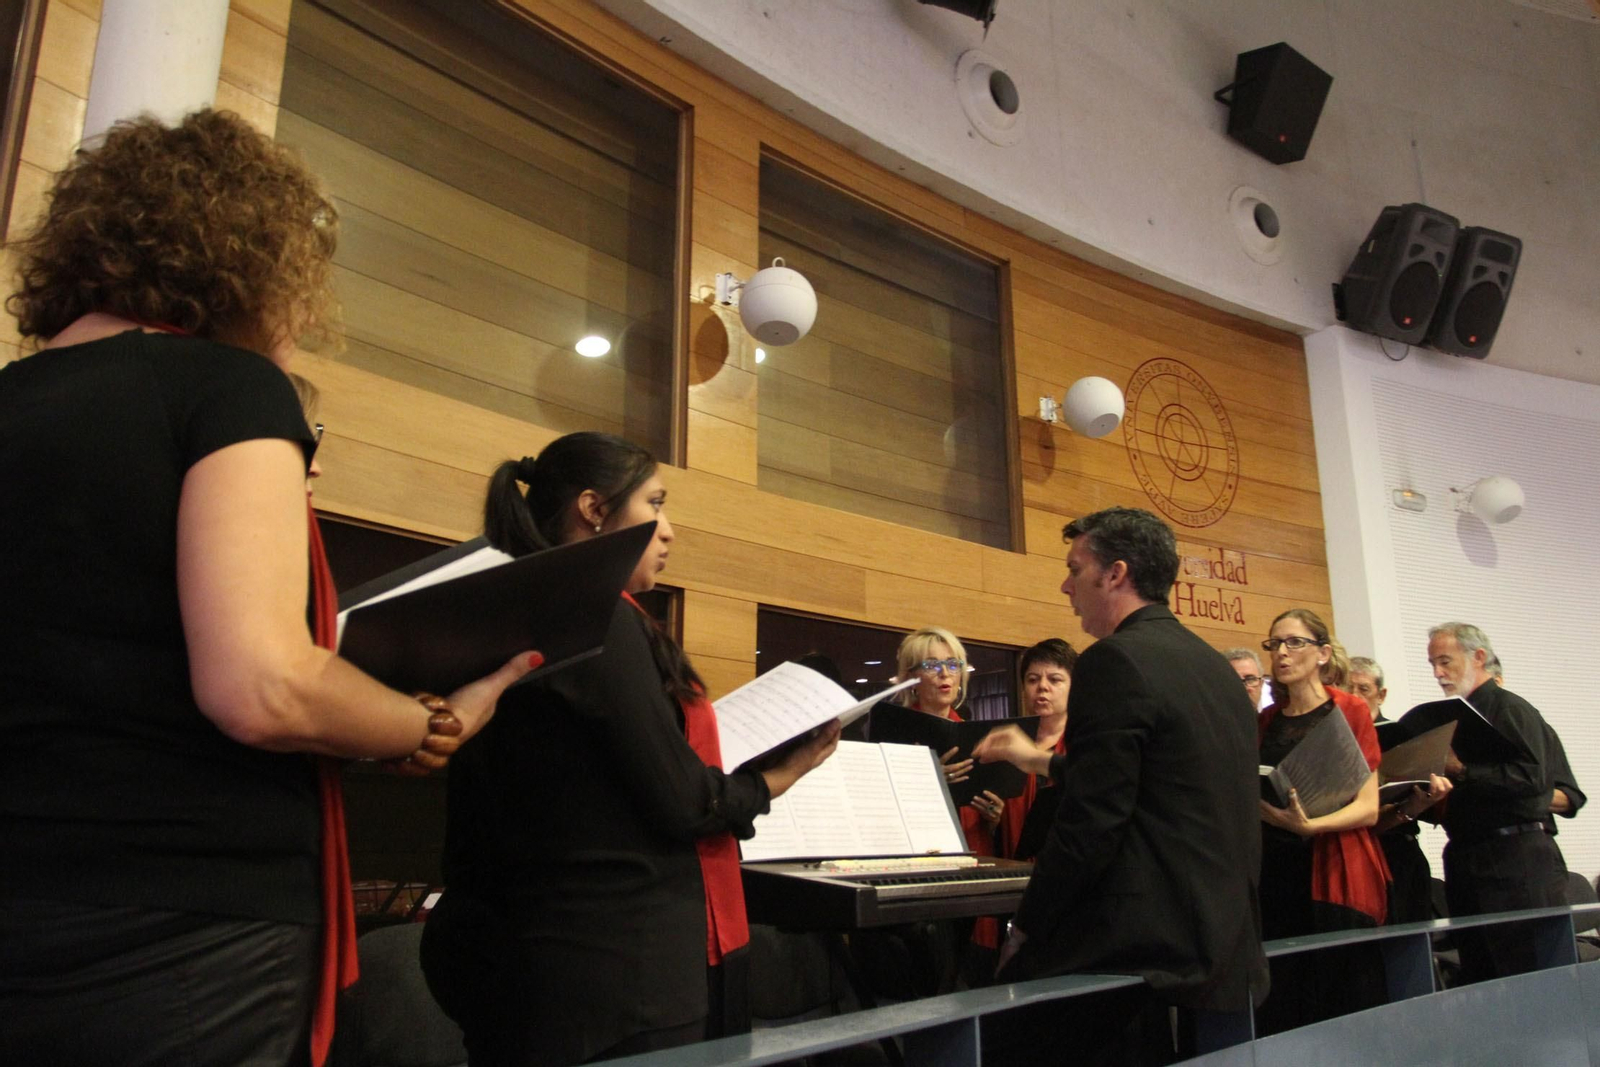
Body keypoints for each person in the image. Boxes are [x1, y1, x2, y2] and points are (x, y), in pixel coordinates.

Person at [0, 109, 538, 1067]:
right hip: (177, 931)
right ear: (252, 258)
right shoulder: (227, 387)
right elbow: (266, 685)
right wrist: (426, 723)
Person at [419, 432, 839, 1066]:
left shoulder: (512, 599)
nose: (668, 531)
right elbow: (682, 801)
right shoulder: (595, 614)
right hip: (608, 971)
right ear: (594, 509)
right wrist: (783, 773)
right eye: (655, 505)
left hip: (522, 959)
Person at [977, 507, 1267, 1066]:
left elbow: (1092, 821)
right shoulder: (1214, 668)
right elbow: (1157, 782)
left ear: (1115, 573)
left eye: (1074, 568)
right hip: (1223, 933)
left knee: (994, 1022)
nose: (1066, 585)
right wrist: (1038, 761)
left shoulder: (1114, 661)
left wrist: (1026, 926)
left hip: (1144, 941)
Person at [1254, 609, 1398, 1032]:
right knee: (1285, 998)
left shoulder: (1350, 709)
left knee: (1340, 994)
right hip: (1276, 871)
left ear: (1321, 653)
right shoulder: (1266, 720)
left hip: (1333, 864)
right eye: (1274, 643)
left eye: (1293, 642)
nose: (1281, 652)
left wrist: (1309, 827)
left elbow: (1368, 807)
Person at [1416, 622, 1569, 983]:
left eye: (1445, 661)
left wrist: (1462, 770)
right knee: (1481, 974)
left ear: (1478, 657)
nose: (1438, 673)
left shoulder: (1511, 709)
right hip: (1468, 859)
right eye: (1432, 664)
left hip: (1513, 862)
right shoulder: (1453, 716)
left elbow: (1533, 780)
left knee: (1523, 975)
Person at [889, 626, 1003, 852]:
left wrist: (994, 817)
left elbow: (992, 827)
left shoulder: (976, 737)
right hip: (919, 860)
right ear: (911, 677)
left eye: (953, 665)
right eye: (932, 665)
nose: (945, 673)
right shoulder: (895, 736)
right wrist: (930, 784)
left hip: (975, 858)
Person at [1351, 656, 1435, 925]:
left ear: (1381, 694)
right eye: (1347, 688)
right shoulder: (1335, 739)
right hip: (1357, 855)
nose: (1354, 696)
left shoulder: (1399, 734)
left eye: (1363, 689)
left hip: (1398, 852)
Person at [1224, 647, 1268, 711]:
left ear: (1261, 684)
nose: (1244, 688)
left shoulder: (1269, 719)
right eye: (1235, 680)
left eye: (1250, 679)